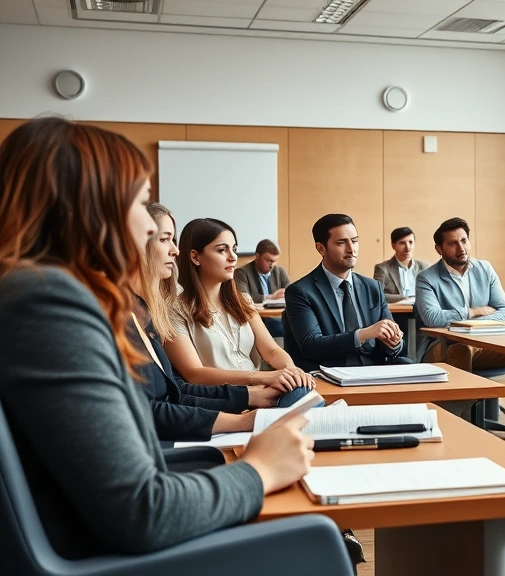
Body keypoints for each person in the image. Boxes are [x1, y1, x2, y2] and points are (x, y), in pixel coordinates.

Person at [0, 117, 315, 559]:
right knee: (314, 531)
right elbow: (143, 513)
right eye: (138, 205)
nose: (150, 231)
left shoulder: (45, 293)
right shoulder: (48, 301)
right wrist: (260, 469)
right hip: (108, 557)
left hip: (106, 537)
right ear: (89, 210)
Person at [130, 203, 283, 441]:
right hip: (216, 413)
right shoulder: (164, 312)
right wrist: (248, 403)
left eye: (234, 249)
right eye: (165, 239)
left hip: (249, 400)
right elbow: (186, 382)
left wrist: (287, 375)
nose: (175, 250)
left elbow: (175, 395)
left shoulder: (147, 312)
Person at [164, 218, 317, 408]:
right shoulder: (174, 310)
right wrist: (264, 378)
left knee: (306, 395)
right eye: (222, 250)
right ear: (195, 257)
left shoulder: (243, 301)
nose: (233, 257)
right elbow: (194, 374)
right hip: (221, 402)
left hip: (262, 393)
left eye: (234, 249)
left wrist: (291, 371)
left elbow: (272, 350)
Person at [416, 217, 505, 439]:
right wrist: (473, 312)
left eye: (464, 240)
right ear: (439, 249)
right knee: (461, 349)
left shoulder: (485, 269)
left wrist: (471, 326)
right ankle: (463, 418)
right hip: (441, 347)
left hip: (480, 345)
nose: (461, 248)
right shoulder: (427, 278)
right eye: (452, 243)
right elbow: (433, 318)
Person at [284, 214, 409, 371]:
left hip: (373, 372)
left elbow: (393, 346)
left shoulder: (373, 287)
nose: (351, 249)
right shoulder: (300, 291)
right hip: (328, 373)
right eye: (341, 243)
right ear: (321, 248)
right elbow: (311, 346)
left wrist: (394, 342)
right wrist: (363, 334)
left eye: (355, 241)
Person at [374, 227, 431, 303]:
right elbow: (377, 294)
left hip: (421, 312)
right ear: (393, 245)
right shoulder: (382, 268)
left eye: (411, 242)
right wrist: (407, 298)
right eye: (402, 243)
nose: (408, 247)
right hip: (396, 313)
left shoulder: (424, 267)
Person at [234, 239, 290, 304]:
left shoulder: (280, 272)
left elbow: (291, 294)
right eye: (269, 261)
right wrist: (271, 297)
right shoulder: (241, 273)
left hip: (278, 313)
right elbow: (243, 298)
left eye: (275, 261)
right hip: (254, 313)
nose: (272, 265)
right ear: (257, 257)